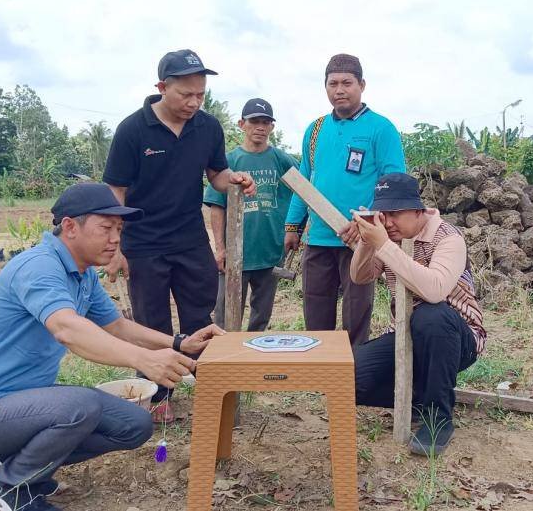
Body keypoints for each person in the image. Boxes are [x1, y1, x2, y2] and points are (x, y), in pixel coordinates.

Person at [0, 183, 226, 511]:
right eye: (106, 228)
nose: (116, 239)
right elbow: (67, 329)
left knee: (135, 424)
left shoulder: (83, 275)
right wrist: (144, 360)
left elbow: (118, 326)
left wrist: (179, 342)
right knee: (82, 406)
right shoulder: (39, 267)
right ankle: (10, 486)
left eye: (119, 229)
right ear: (70, 227)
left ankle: (25, 466)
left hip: (23, 404)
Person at [102, 49, 255, 422]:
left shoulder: (208, 128)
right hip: (143, 243)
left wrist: (234, 179)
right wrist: (115, 246)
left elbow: (216, 175)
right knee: (151, 321)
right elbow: (115, 190)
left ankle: (211, 388)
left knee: (199, 316)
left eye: (200, 94)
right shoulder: (132, 130)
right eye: (186, 94)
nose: (194, 102)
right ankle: (158, 396)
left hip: (190, 240)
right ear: (161, 88)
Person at [348, 173, 486, 456]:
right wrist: (367, 241)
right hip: (405, 334)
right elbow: (360, 276)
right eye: (382, 214)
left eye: (395, 214)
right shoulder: (389, 238)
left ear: (418, 210)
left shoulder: (447, 238)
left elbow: (435, 290)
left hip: (455, 337)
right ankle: (422, 397)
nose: (388, 222)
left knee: (431, 316)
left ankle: (438, 419)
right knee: (350, 379)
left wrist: (384, 245)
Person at [283, 53, 406, 345]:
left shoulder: (381, 128)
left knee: (356, 315)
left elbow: (393, 184)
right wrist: (292, 226)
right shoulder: (315, 130)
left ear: (362, 85)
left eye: (347, 83)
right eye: (333, 83)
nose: (339, 90)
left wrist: (365, 222)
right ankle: (322, 367)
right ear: (325, 87)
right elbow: (304, 181)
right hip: (318, 240)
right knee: (315, 315)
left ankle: (355, 368)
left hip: (359, 241)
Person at [204, 98, 298, 330]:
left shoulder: (282, 160)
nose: (260, 127)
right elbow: (217, 206)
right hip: (236, 254)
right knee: (225, 315)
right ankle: (226, 352)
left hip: (270, 251)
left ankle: (255, 351)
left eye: (265, 122)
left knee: (261, 316)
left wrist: (294, 229)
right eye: (254, 121)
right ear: (241, 124)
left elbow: (304, 191)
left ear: (272, 127)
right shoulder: (229, 161)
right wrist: (220, 248)